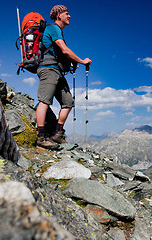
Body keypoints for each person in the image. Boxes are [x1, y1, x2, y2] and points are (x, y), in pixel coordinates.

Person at [36, 5, 92, 149]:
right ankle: (41, 136)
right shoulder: (53, 28)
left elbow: (62, 54)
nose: (69, 16)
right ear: (59, 15)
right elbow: (65, 51)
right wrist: (81, 61)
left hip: (57, 72)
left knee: (68, 102)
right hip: (48, 70)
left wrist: (72, 64)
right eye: (67, 13)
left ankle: (58, 134)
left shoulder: (58, 31)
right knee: (44, 101)